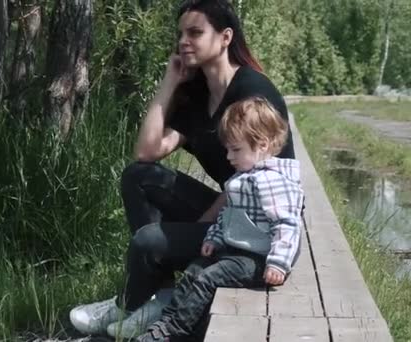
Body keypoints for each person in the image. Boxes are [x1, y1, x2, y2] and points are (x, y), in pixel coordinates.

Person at [70, 0, 296, 338]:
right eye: (180, 34)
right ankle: (158, 296)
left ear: (225, 37)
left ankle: (129, 304)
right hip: (229, 214)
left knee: (150, 241)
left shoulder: (253, 92)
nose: (183, 41)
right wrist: (169, 82)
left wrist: (202, 226)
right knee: (139, 176)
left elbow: (272, 177)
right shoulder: (198, 97)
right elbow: (147, 152)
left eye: (195, 32)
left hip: (258, 230)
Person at [135, 96, 304, 342]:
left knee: (208, 278)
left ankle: (175, 332)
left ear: (263, 145)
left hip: (260, 259)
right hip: (236, 251)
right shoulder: (243, 177)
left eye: (236, 149)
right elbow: (229, 215)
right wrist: (214, 237)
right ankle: (165, 323)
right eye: (228, 149)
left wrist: (278, 263)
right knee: (194, 269)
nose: (228, 156)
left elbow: (287, 224)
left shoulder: (271, 182)